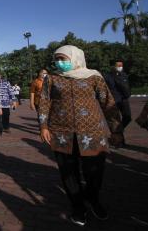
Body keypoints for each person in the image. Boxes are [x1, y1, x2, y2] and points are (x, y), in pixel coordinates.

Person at [39, 45, 122, 227]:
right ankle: (78, 207)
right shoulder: (52, 79)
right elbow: (44, 102)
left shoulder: (93, 77)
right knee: (68, 172)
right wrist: (43, 126)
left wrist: (116, 129)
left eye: (63, 59)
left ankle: (93, 200)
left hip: (92, 132)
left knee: (94, 171)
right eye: (57, 59)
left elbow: (108, 103)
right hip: (61, 132)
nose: (59, 63)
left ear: (75, 58)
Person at [104, 59, 131, 147]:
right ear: (113, 66)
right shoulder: (107, 76)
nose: (120, 67)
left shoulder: (124, 74)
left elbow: (126, 87)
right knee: (115, 121)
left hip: (124, 100)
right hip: (113, 100)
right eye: (118, 65)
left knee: (127, 117)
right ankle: (119, 142)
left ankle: (118, 132)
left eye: (121, 65)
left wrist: (127, 95)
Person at [0, 71, 17, 136]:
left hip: (5, 104)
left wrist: (14, 101)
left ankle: (6, 127)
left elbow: (11, 92)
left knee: (6, 116)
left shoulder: (6, 83)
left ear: (0, 76)